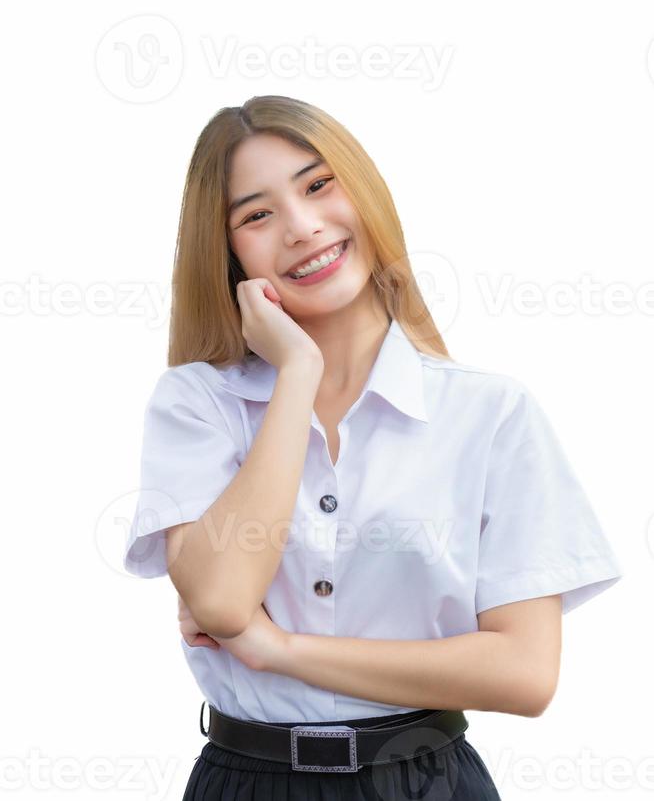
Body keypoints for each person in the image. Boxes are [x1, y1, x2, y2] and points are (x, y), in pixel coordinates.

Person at [123, 95, 623, 800]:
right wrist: (297, 373)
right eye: (256, 214)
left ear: (364, 191)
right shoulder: (198, 404)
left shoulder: (490, 413)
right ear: (227, 249)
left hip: (430, 783)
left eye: (319, 184)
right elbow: (225, 603)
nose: (301, 227)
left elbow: (525, 675)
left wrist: (285, 651)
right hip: (247, 782)